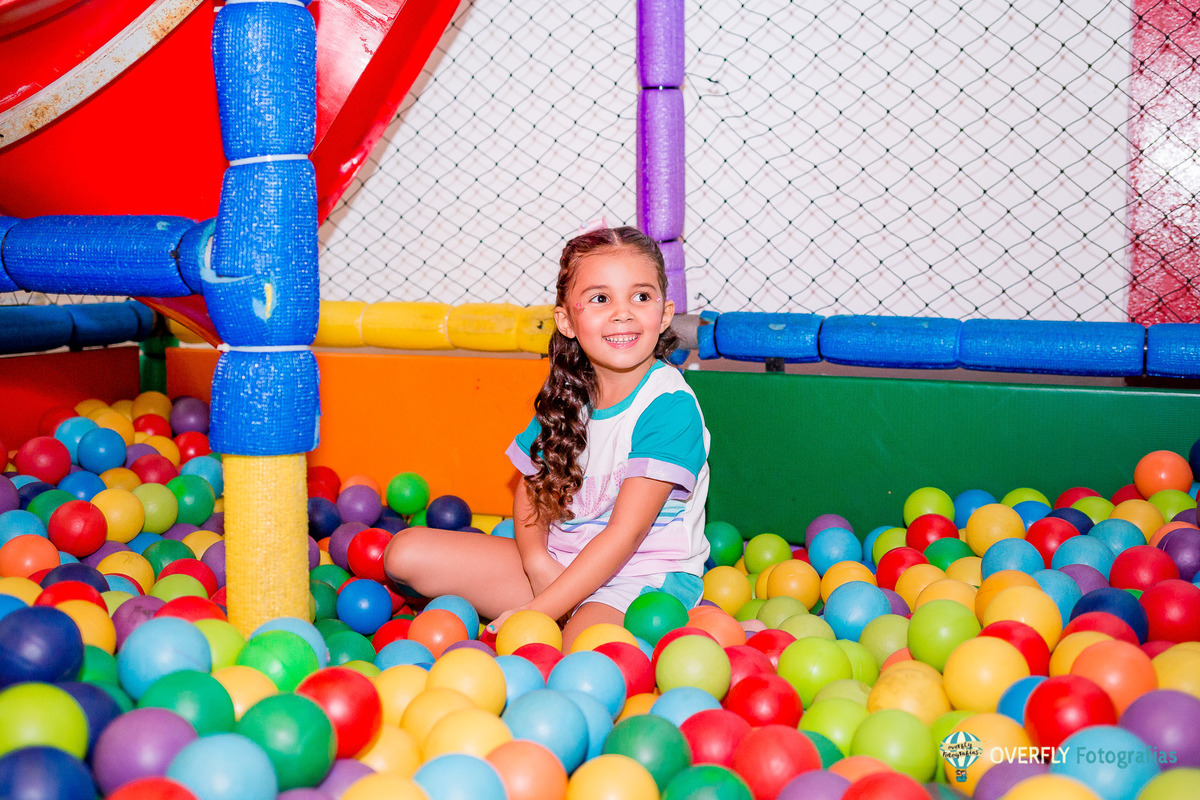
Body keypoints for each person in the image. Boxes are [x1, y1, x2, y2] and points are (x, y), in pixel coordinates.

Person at [382, 225, 710, 650]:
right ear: (567, 321)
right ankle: (565, 606)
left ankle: (570, 615)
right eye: (600, 298)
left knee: (581, 652)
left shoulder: (668, 406)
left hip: (642, 576)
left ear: (664, 314)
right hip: (561, 563)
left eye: (640, 296)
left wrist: (536, 612)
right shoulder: (569, 392)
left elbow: (623, 536)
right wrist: (537, 562)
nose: (623, 313)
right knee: (403, 553)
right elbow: (531, 490)